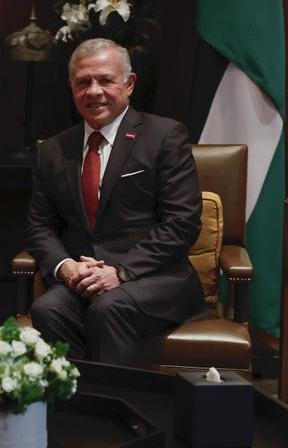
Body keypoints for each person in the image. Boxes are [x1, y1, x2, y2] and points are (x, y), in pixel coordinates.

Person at [26, 38, 204, 366]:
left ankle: (121, 411)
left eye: (105, 80)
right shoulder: (52, 150)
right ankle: (76, 408)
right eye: (84, 82)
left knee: (110, 308)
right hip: (82, 280)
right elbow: (40, 227)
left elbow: (182, 222)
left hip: (155, 280)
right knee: (46, 308)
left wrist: (120, 273)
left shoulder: (164, 136)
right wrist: (67, 268)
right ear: (72, 87)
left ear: (129, 83)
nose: (94, 91)